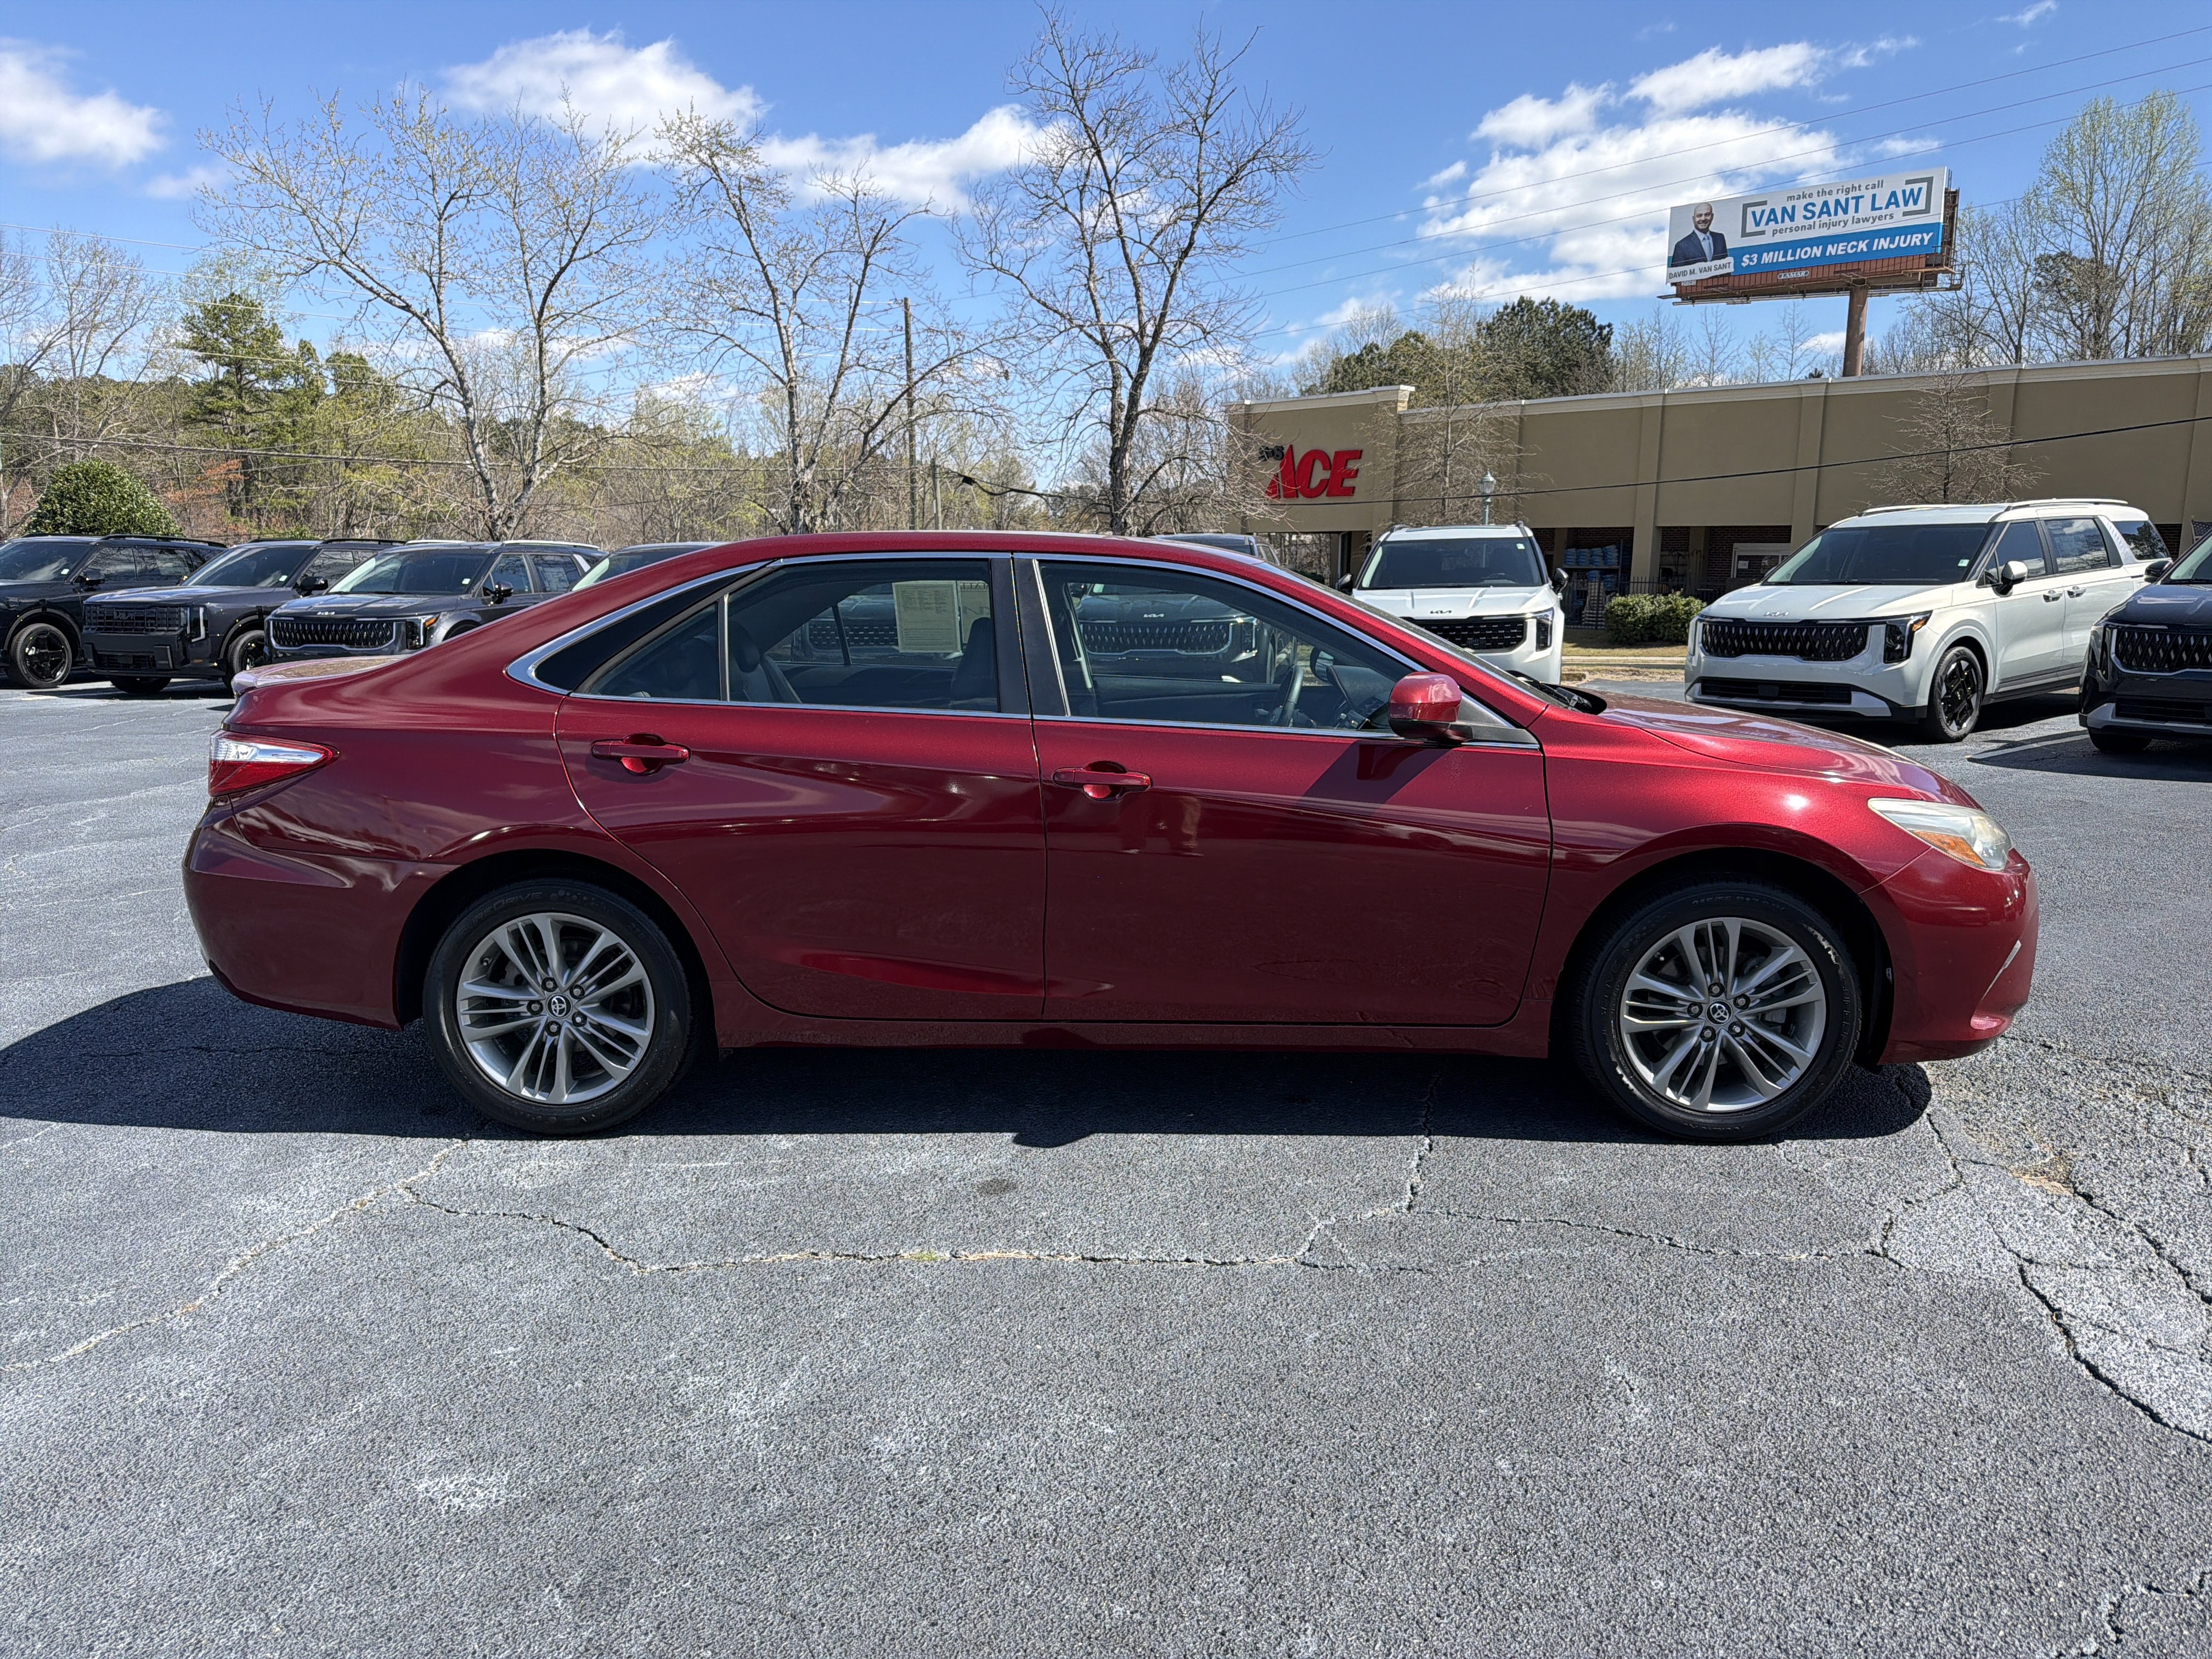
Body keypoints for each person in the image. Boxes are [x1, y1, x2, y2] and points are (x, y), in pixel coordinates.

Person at [1671, 202, 1727, 269]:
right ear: (1693, 219)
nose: (1703, 219)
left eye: (1707, 215)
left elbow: (1726, 268)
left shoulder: (1720, 239)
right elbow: (1676, 276)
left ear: (1712, 217)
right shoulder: (1682, 246)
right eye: (1699, 216)